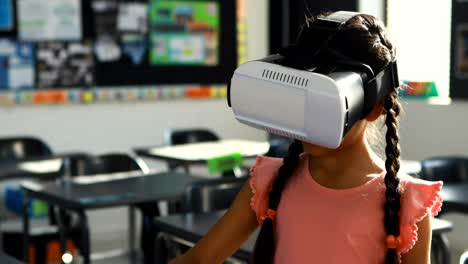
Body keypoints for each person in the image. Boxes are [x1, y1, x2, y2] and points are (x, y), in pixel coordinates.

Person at [169, 12, 443, 264]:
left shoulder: (406, 203)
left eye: (324, 102)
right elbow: (197, 261)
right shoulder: (268, 182)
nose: (307, 118)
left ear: (373, 108)